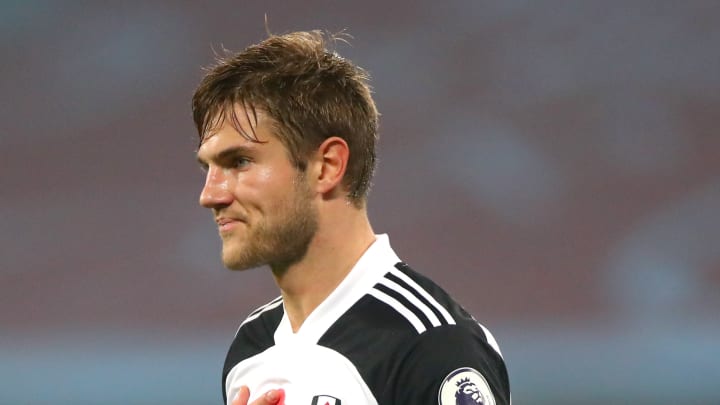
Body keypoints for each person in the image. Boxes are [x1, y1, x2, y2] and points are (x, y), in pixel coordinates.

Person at [192, 30, 511, 405]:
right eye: (208, 168)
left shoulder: (430, 344)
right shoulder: (251, 346)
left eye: (239, 162)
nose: (210, 195)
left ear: (326, 167)